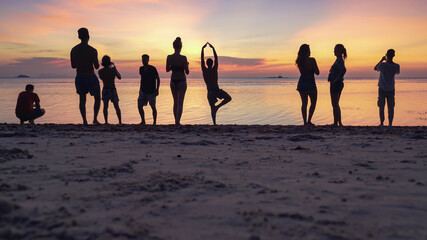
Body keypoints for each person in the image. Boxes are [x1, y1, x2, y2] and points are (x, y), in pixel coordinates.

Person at [70, 27, 101, 125]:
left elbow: (73, 66)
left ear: (79, 37)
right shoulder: (92, 50)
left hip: (80, 76)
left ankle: (84, 120)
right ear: (88, 37)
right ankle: (95, 119)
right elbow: (96, 66)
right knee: (97, 97)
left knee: (82, 99)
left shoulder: (74, 50)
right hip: (90, 76)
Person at [201, 42, 232, 125]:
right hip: (216, 90)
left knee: (212, 108)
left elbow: (202, 60)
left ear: (207, 64)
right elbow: (216, 58)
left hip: (210, 92)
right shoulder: (214, 69)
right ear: (212, 64)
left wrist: (202, 49)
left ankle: (214, 123)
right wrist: (213, 48)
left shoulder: (204, 70)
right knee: (228, 98)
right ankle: (217, 107)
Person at [166, 37, 189, 126]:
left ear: (173, 46)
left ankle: (176, 121)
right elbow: (187, 72)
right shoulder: (183, 58)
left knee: (175, 102)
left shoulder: (169, 57)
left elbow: (167, 69)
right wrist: (186, 65)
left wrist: (173, 67)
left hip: (173, 80)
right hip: (181, 80)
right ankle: (177, 122)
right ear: (181, 47)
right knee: (180, 102)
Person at [374, 49, 400, 126]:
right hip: (391, 88)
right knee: (391, 107)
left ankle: (382, 122)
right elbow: (397, 72)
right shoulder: (396, 66)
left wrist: (381, 60)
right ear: (393, 56)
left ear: (386, 55)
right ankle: (390, 123)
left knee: (381, 106)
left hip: (382, 88)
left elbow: (375, 68)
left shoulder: (382, 65)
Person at [296, 44, 319, 126]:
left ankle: (305, 122)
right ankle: (309, 120)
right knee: (313, 103)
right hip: (310, 83)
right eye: (309, 50)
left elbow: (302, 72)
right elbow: (317, 72)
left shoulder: (299, 61)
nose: (310, 51)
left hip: (302, 83)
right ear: (307, 51)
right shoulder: (312, 60)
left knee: (304, 103)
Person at [98, 55, 122, 124]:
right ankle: (120, 121)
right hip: (112, 89)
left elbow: (102, 78)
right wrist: (114, 68)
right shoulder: (112, 70)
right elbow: (119, 77)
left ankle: (106, 122)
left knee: (105, 106)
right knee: (116, 106)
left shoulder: (100, 71)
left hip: (105, 88)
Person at [328, 44, 347, 126]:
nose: (334, 51)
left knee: (335, 103)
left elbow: (343, 70)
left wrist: (337, 79)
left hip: (336, 84)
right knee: (335, 103)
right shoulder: (338, 60)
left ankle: (337, 122)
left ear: (340, 51)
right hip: (335, 83)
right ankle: (337, 122)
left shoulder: (340, 60)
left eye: (335, 49)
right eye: (334, 49)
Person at [138, 54, 160, 125]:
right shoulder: (141, 69)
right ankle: (143, 121)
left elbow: (158, 79)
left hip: (151, 91)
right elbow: (142, 80)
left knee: (153, 107)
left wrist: (157, 89)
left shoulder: (153, 68)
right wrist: (140, 89)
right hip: (143, 90)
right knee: (139, 105)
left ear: (148, 60)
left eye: (145, 59)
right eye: (142, 59)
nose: (143, 61)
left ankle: (154, 122)